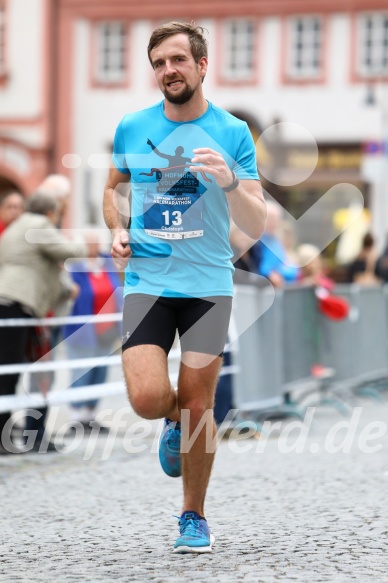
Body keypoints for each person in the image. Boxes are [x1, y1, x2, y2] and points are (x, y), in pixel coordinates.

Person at [103, 21, 266, 553]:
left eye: (176, 60)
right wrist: (117, 227)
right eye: (158, 63)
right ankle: (172, 420)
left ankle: (192, 516)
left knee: (201, 406)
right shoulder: (132, 126)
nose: (167, 71)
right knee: (149, 398)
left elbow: (257, 220)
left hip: (208, 285)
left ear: (201, 65)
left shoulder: (233, 131)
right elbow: (112, 188)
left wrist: (230, 181)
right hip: (148, 280)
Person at [0, 192, 89, 454]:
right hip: (17, 303)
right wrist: (81, 240)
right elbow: (71, 251)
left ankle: (8, 436)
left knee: (9, 372)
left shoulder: (18, 225)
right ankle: (5, 439)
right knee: (9, 373)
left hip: (11, 302)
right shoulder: (39, 225)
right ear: (51, 213)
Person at [62, 231, 123, 430]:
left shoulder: (106, 263)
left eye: (95, 242)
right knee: (81, 372)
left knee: (100, 372)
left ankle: (90, 415)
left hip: (106, 330)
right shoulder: (74, 268)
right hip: (81, 330)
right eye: (88, 243)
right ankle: (76, 416)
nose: (93, 246)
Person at [250, 200, 300, 287]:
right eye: (270, 219)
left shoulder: (276, 241)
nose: (273, 222)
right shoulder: (255, 241)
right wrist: (271, 274)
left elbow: (286, 264)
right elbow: (260, 268)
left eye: (276, 219)